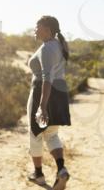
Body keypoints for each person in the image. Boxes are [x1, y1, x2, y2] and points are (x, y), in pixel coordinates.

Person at [26, 15, 71, 190]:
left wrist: (42, 105)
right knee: (51, 135)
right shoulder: (59, 45)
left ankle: (38, 175)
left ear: (47, 29)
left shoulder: (47, 48)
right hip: (59, 93)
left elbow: (46, 78)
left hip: (42, 93)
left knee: (35, 134)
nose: (35, 30)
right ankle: (61, 169)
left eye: (37, 27)